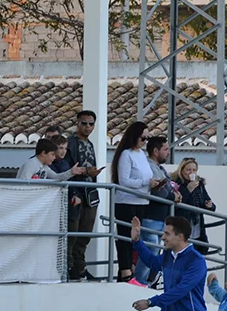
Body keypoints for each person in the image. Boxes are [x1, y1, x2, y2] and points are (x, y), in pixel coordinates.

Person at [111, 121, 156, 282]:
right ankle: (125, 271)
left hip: (141, 202)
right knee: (125, 237)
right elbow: (124, 181)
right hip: (126, 202)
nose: (145, 141)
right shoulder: (126, 154)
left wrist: (152, 183)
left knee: (136, 238)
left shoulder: (141, 155)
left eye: (147, 138)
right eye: (142, 138)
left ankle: (131, 268)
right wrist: (145, 183)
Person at [134, 136, 180, 286]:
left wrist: (173, 193)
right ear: (155, 151)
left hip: (162, 217)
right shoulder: (149, 167)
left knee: (158, 249)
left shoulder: (160, 168)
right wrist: (172, 195)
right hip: (151, 215)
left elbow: (168, 187)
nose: (168, 152)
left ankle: (148, 280)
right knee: (152, 248)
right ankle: (140, 281)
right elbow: (159, 191)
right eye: (165, 149)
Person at [65, 110, 103, 281]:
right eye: (84, 123)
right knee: (72, 233)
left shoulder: (90, 144)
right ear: (77, 123)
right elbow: (66, 168)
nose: (88, 127)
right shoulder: (71, 143)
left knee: (85, 234)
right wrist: (87, 171)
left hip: (89, 194)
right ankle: (70, 268)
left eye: (91, 124)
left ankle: (80, 268)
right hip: (76, 192)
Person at [174, 157, 216, 255]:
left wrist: (209, 206)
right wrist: (188, 190)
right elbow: (176, 203)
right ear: (182, 170)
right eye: (188, 170)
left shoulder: (199, 186)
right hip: (182, 224)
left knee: (197, 252)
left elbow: (210, 204)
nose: (191, 173)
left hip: (197, 226)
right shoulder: (176, 184)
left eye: (194, 170)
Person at [16, 138, 86, 181]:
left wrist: (71, 172)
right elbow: (23, 183)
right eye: (52, 154)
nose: (54, 158)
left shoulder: (45, 167)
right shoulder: (31, 164)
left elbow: (56, 177)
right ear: (43, 153)